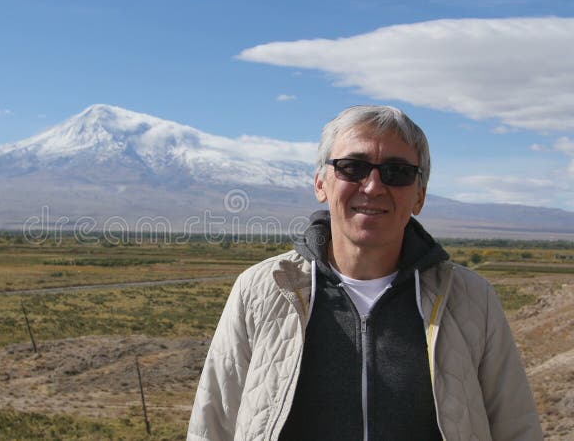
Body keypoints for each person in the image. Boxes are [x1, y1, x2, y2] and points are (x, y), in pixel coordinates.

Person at [187, 105, 542, 441]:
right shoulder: (264, 289)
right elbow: (214, 422)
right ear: (321, 184)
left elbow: (515, 426)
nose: (372, 186)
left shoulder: (469, 298)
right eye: (352, 167)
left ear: (420, 195)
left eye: (397, 172)